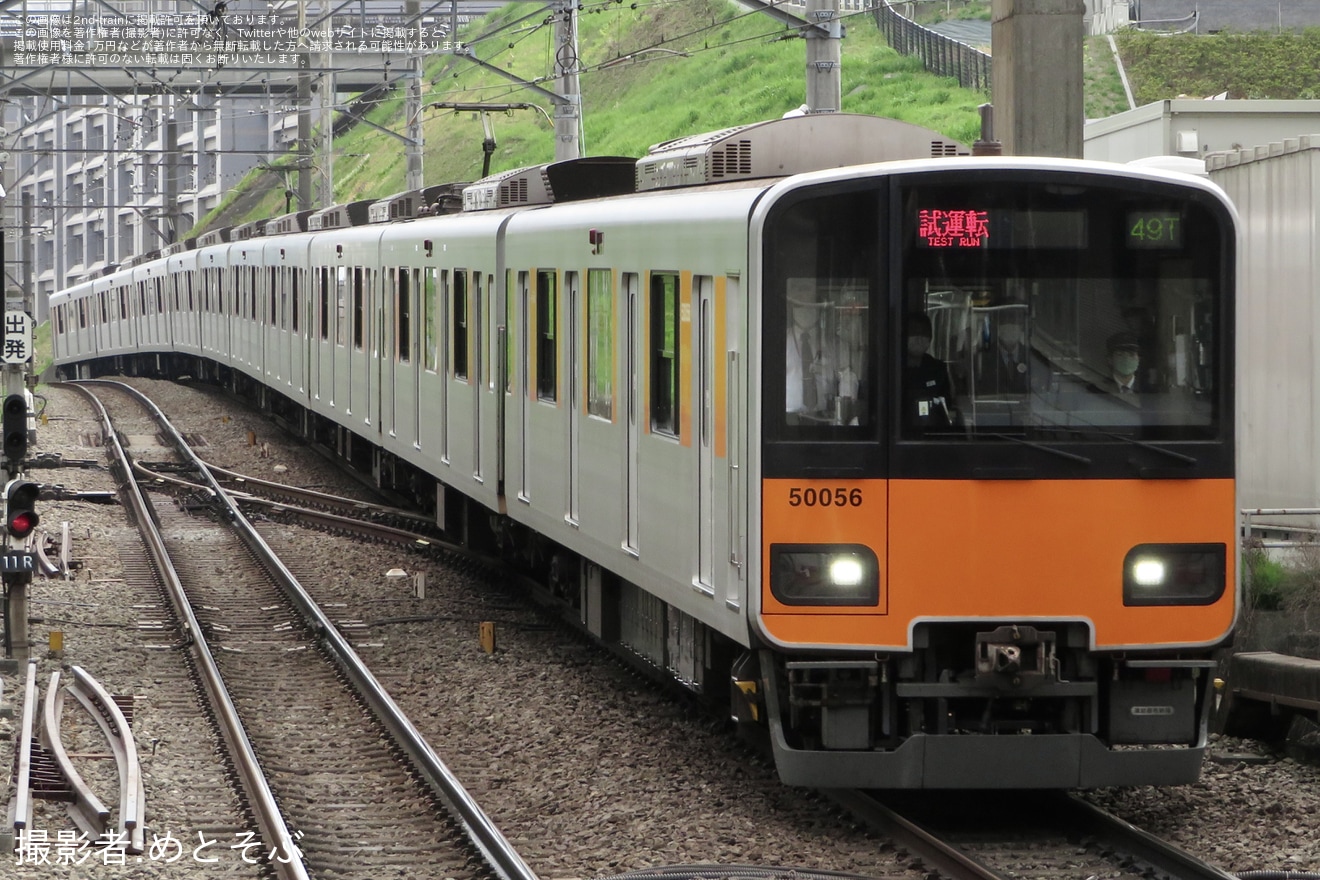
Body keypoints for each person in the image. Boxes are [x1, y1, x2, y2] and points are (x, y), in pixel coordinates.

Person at [902, 312, 957, 432]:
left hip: (933, 435)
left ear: (930, 339)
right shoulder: (893, 369)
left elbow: (947, 404)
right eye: (913, 333)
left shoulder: (938, 369)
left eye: (924, 334)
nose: (919, 339)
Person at [977, 310, 1030, 395]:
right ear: (997, 327)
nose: (1010, 328)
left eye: (1015, 323)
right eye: (1004, 323)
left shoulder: (1032, 356)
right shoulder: (983, 357)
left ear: (1021, 327)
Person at [1105, 331, 1143, 396]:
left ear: (1139, 359)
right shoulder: (1100, 388)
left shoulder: (1147, 390)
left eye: (1131, 355)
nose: (1126, 360)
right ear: (1110, 360)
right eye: (1120, 355)